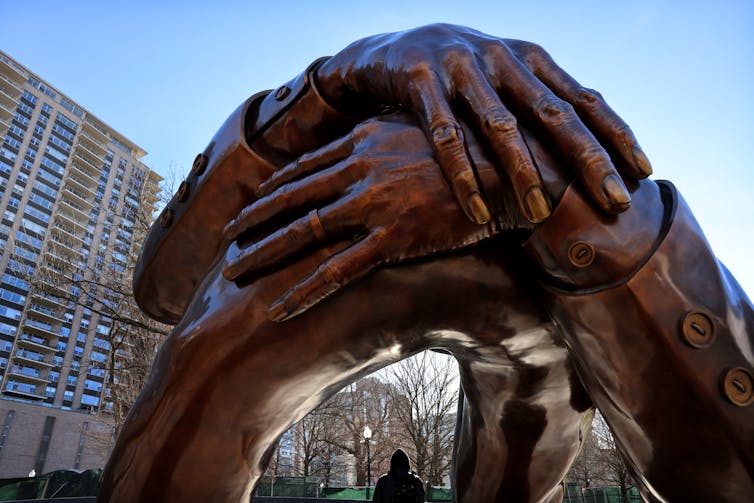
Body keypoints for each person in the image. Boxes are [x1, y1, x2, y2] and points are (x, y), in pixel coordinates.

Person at [101, 25, 752, 502]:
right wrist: (334, 79)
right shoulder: (345, 144)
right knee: (224, 348)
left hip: (532, 307)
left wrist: (552, 194)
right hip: (372, 272)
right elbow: (162, 287)